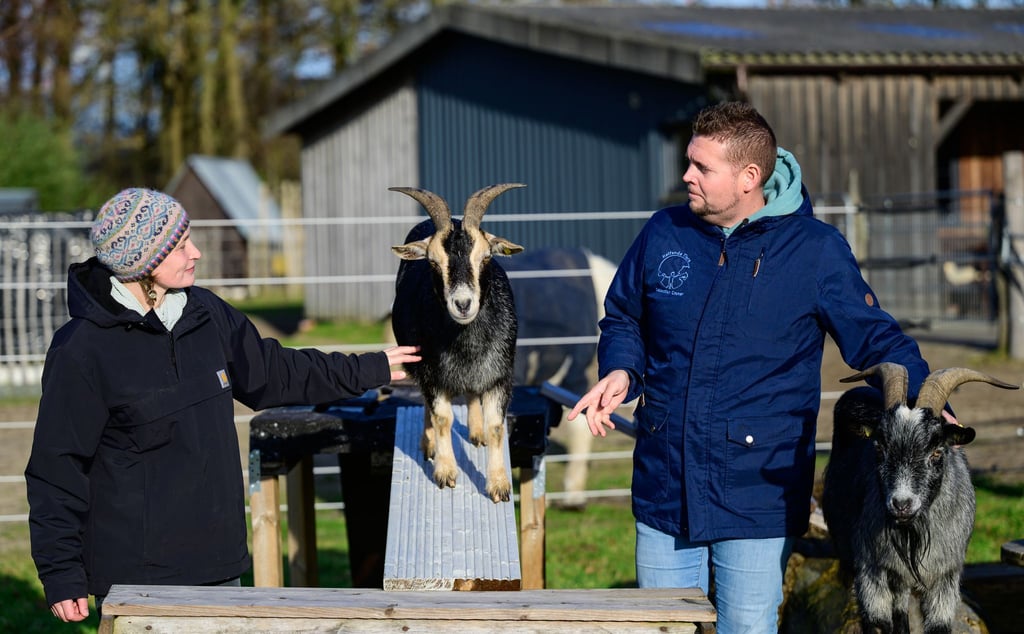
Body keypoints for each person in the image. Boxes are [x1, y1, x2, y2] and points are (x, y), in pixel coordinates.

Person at [568, 101, 945, 633]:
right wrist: (622, 370)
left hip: (757, 490)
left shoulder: (813, 251)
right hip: (664, 483)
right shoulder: (664, 232)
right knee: (660, 627)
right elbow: (625, 315)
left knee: (745, 628)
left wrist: (934, 402)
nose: (686, 176)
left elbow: (876, 337)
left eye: (702, 167)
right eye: (689, 161)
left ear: (749, 177)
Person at [25, 187, 420, 623]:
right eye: (179, 246)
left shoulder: (205, 314)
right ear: (143, 261)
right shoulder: (82, 350)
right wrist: (61, 573)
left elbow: (276, 372)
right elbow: (57, 468)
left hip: (220, 562)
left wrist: (369, 368)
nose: (195, 253)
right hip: (139, 579)